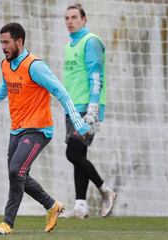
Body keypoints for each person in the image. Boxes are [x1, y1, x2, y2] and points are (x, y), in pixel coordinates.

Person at [0, 22, 91, 235]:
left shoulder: (35, 66)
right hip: (17, 129)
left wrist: (79, 122)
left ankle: (7, 223)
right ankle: (52, 206)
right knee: (18, 174)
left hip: (39, 129)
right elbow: (5, 87)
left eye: (6, 42)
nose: (2, 46)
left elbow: (62, 92)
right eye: (1, 42)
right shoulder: (5, 64)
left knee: (15, 170)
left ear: (19, 41)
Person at [62, 4, 117, 219]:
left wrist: (93, 108)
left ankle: (106, 191)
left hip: (87, 108)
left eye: (74, 17)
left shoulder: (91, 41)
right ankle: (80, 206)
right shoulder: (69, 46)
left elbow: (96, 76)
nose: (70, 21)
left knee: (72, 152)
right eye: (66, 18)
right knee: (79, 155)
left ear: (84, 19)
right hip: (72, 107)